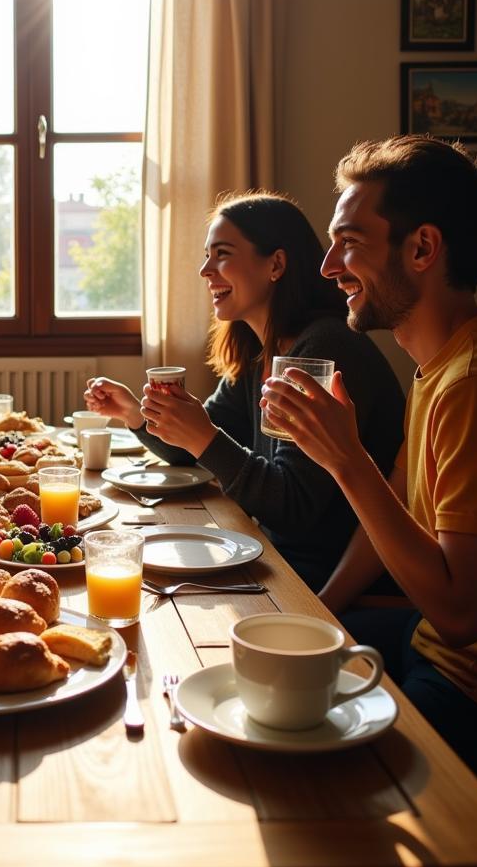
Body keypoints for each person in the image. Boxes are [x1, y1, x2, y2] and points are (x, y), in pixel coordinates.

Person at [261, 136, 477, 780]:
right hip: (423, 642)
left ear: (422, 248)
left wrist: (345, 459)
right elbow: (395, 502)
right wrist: (321, 608)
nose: (328, 266)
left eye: (350, 242)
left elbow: (460, 616)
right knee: (259, 653)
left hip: (476, 691)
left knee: (294, 776)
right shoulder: (442, 363)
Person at [85, 193, 405, 592]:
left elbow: (291, 507)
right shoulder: (262, 350)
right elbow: (196, 449)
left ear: (276, 264)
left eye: (221, 254)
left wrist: (203, 436)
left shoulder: (322, 349)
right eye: (206, 255)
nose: (205, 270)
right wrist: (135, 414)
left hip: (323, 582)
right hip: (278, 560)